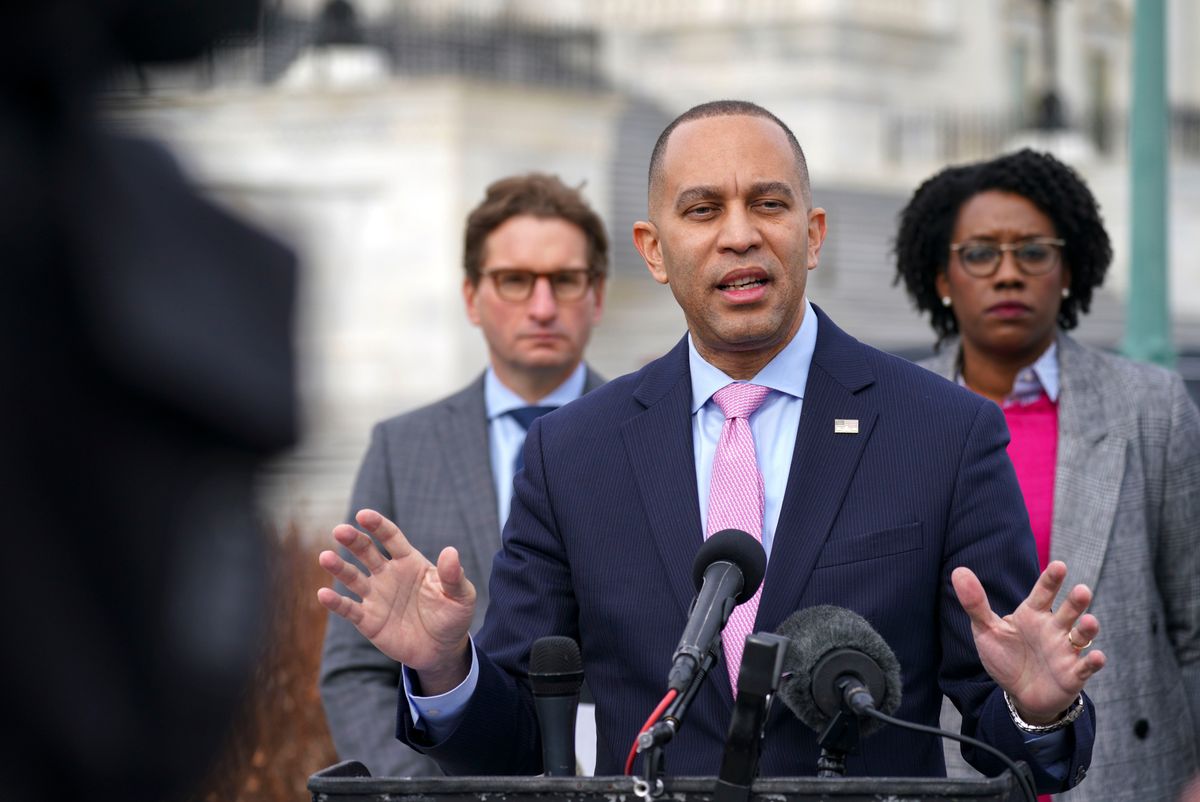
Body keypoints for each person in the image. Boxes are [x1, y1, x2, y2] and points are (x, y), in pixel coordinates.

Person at [317, 101, 1105, 792]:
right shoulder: (573, 453)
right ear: (654, 250)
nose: (739, 234)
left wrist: (1037, 708)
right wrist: (446, 670)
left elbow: (1007, 748)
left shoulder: (942, 432)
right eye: (702, 209)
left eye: (768, 202)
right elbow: (523, 747)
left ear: (814, 233)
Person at [894, 148, 1200, 801]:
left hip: (1129, 771)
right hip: (956, 767)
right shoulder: (897, 414)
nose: (1008, 273)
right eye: (980, 253)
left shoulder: (1151, 408)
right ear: (942, 277)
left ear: (1068, 269)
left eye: (1033, 251)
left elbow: (1194, 618)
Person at [319, 173, 607, 776]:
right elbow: (353, 670)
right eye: (514, 280)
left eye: (566, 280)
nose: (543, 305)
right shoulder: (403, 447)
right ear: (472, 297)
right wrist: (426, 789)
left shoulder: (649, 437)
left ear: (597, 295)